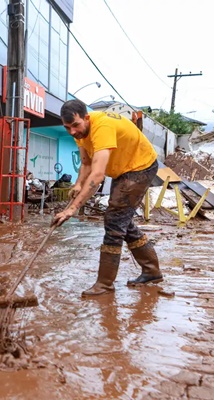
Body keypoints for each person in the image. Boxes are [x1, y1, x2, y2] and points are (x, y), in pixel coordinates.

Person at [51, 99, 163, 296]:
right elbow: (86, 164)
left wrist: (71, 209)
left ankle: (104, 284)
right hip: (123, 171)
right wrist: (78, 184)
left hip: (141, 166)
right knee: (121, 221)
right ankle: (152, 271)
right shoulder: (80, 132)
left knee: (114, 221)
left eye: (75, 125)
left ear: (86, 117)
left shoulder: (102, 127)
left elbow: (97, 175)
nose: (72, 132)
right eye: (67, 127)